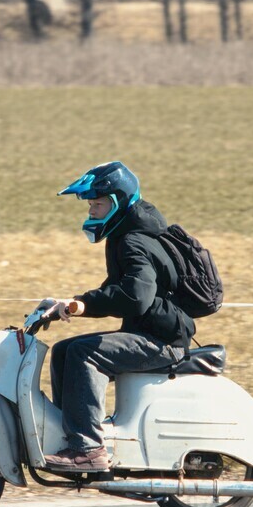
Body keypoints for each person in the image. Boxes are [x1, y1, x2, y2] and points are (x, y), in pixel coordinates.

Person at [41, 161, 194, 472]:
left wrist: (80, 306)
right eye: (90, 206)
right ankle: (70, 437)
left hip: (162, 342)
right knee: (63, 350)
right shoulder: (127, 233)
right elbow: (117, 290)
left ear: (116, 202)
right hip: (149, 333)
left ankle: (88, 449)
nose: (90, 212)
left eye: (96, 204)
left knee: (85, 354)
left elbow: (136, 297)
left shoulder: (133, 241)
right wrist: (73, 304)